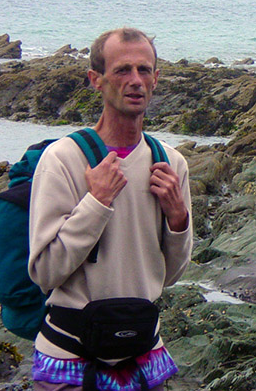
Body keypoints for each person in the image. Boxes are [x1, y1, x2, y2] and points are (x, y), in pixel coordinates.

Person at [28, 28, 192, 391]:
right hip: (70, 359)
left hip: (144, 356)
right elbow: (44, 272)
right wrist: (96, 203)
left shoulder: (171, 163)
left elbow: (171, 275)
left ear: (156, 79)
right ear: (96, 80)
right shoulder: (63, 160)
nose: (135, 81)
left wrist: (178, 220)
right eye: (122, 70)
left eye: (144, 70)